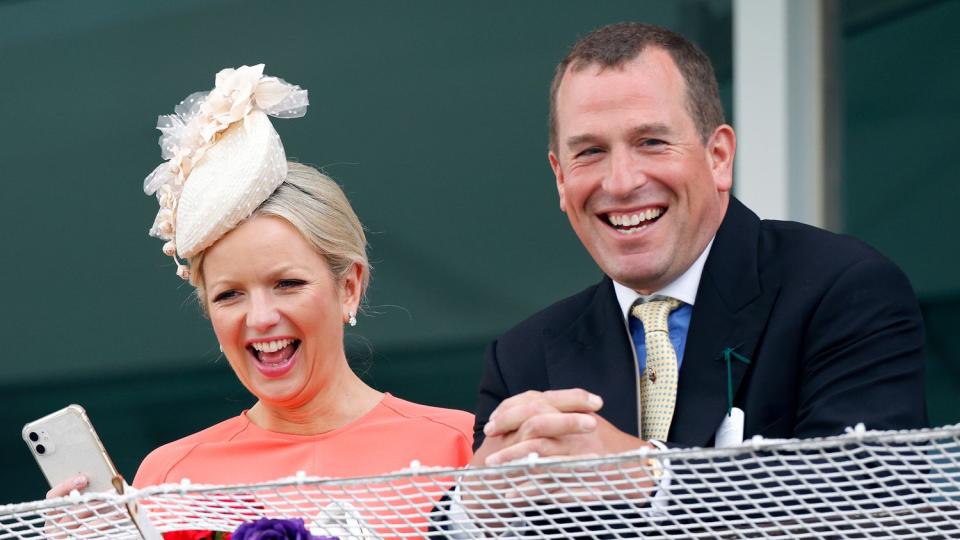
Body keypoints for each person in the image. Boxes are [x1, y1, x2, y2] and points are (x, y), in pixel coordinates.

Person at [470, 21, 927, 469]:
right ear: (560, 178)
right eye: (589, 152)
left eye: (651, 142)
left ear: (719, 157)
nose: (621, 182)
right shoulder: (522, 360)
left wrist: (646, 475)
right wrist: (471, 511)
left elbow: (868, 501)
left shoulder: (842, 291)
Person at [46, 65, 473, 533]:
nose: (261, 318)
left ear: (348, 287)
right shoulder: (170, 479)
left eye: (287, 284)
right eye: (230, 295)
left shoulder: (461, 448)